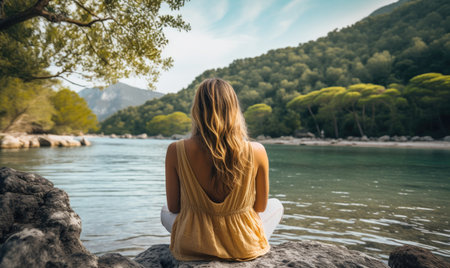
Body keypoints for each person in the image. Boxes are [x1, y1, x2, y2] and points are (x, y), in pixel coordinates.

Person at [161, 78, 283, 261]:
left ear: (197, 110)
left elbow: (173, 207)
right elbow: (260, 207)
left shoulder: (175, 150)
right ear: (234, 110)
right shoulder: (257, 151)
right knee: (277, 206)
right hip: (242, 246)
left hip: (192, 244)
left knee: (163, 210)